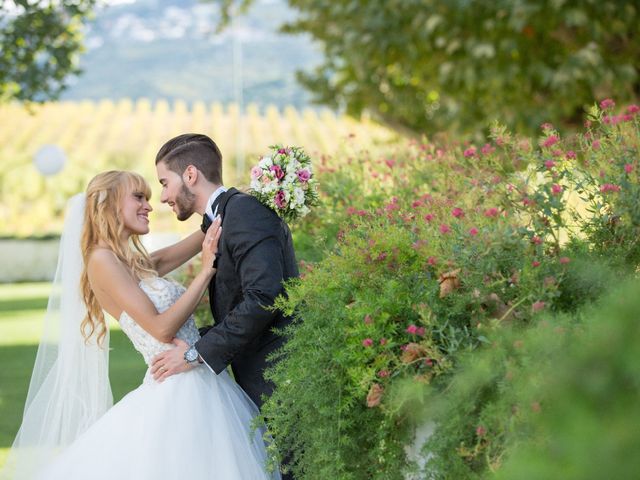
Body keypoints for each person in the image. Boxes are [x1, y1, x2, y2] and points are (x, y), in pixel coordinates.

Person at [1, 171, 279, 480]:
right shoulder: (101, 260)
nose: (149, 205)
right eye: (138, 197)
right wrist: (205, 272)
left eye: (148, 196)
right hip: (175, 389)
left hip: (203, 381)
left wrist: (242, 196)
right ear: (107, 204)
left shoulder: (133, 262)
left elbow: (205, 233)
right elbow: (161, 329)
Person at [151, 134, 299, 479]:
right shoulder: (220, 217)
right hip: (260, 376)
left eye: (164, 183)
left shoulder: (245, 212)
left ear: (190, 175)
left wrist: (195, 354)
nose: (162, 197)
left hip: (281, 376)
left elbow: (264, 297)